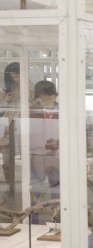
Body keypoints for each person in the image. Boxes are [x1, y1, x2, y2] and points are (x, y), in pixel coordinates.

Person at [0, 62, 34, 197]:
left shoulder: (31, 87)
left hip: (25, 124)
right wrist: (5, 101)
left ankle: (30, 187)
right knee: (7, 158)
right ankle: (10, 186)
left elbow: (37, 105)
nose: (15, 79)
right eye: (12, 77)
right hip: (7, 125)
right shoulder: (5, 88)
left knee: (28, 156)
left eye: (17, 76)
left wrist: (22, 96)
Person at [29, 81, 60, 222]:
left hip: (56, 157)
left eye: (50, 98)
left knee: (57, 190)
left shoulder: (63, 111)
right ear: (37, 98)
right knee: (34, 190)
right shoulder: (31, 111)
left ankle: (59, 222)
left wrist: (59, 146)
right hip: (36, 157)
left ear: (56, 95)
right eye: (42, 99)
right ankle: (32, 222)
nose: (47, 102)